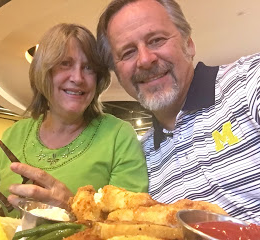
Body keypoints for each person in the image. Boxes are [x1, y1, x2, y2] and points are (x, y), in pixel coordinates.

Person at [0, 23, 149, 217]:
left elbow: (131, 222)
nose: (77, 77)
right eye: (65, 64)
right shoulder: (16, 134)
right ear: (43, 73)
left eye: (89, 68)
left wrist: (71, 207)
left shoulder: (118, 135)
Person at [96, 0, 260, 223]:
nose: (145, 59)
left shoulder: (248, 82)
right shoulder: (139, 157)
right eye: (127, 52)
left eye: (156, 40)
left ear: (189, 44)